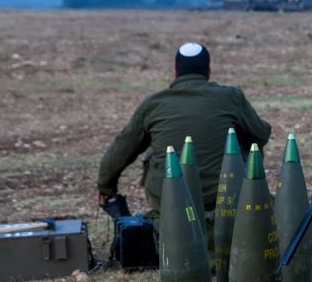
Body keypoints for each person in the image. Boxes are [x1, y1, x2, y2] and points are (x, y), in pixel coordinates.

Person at [97, 42, 271, 222]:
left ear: (175, 72)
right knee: (247, 143)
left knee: (155, 149)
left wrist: (106, 187)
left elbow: (122, 148)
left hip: (168, 199)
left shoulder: (154, 104)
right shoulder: (231, 97)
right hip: (225, 196)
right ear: (208, 72)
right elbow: (260, 135)